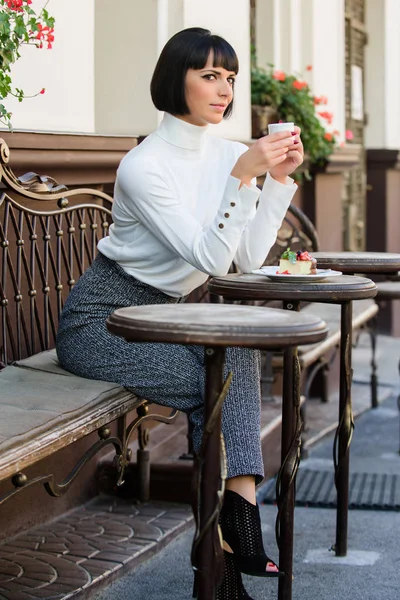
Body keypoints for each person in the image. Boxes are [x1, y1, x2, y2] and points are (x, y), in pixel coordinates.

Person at [56, 27, 304, 600]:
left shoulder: (225, 153)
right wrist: (245, 175)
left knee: (232, 362)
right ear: (178, 79)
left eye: (231, 79)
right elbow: (210, 259)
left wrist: (278, 182)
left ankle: (225, 545)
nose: (224, 90)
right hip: (102, 326)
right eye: (210, 76)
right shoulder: (144, 167)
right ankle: (231, 538)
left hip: (162, 320)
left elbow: (242, 262)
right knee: (219, 378)